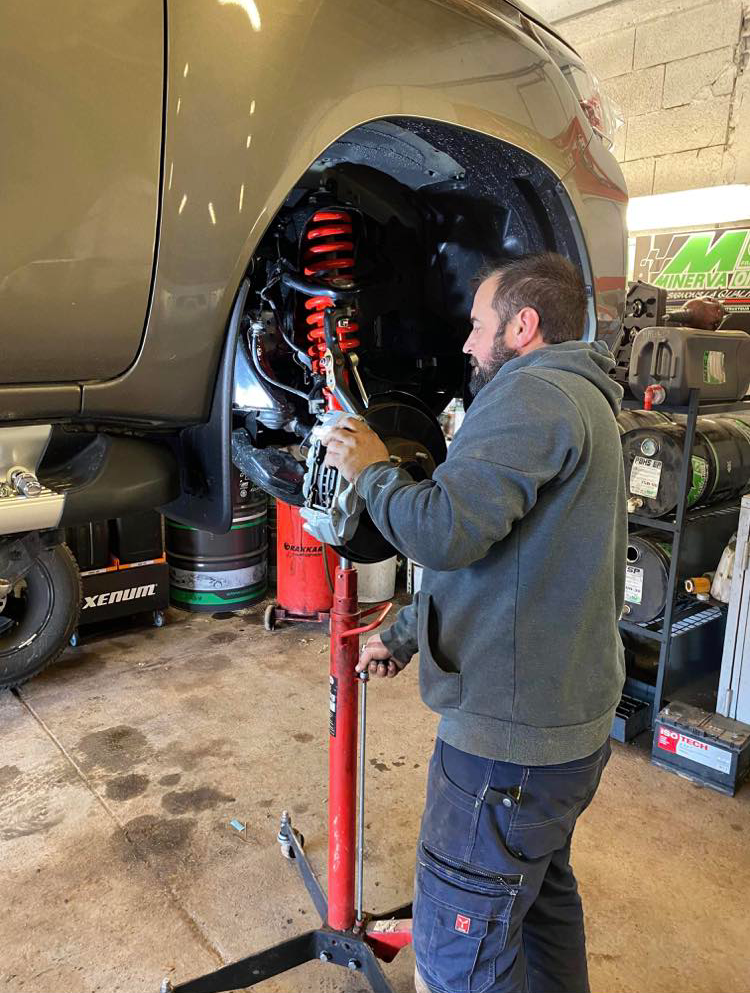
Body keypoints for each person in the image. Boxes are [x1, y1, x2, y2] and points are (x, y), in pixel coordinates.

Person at [322, 252, 627, 993]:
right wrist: (404, 635)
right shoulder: (583, 400)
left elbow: (444, 533)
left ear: (522, 326)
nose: (464, 342)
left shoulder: (533, 397)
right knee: (539, 906)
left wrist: (375, 467)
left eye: (477, 323)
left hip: (507, 752)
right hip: (560, 740)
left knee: (460, 948)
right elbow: (504, 565)